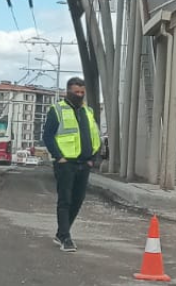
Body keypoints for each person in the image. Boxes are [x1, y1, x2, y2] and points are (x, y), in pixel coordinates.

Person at [42, 76, 101, 253]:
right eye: (76, 92)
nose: (79, 95)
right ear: (68, 92)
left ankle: (61, 233)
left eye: (82, 92)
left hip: (85, 162)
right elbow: (48, 136)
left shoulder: (88, 111)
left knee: (78, 199)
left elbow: (95, 136)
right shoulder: (57, 110)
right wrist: (59, 157)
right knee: (65, 200)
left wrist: (92, 158)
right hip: (66, 163)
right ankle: (66, 238)